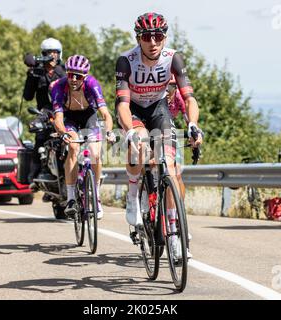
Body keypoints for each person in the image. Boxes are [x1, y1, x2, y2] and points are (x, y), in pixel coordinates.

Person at [115, 12, 203, 258]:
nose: (152, 42)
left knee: (172, 169)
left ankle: (175, 233)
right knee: (141, 144)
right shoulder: (126, 60)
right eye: (146, 37)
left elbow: (189, 98)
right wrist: (130, 131)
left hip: (158, 109)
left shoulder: (173, 58)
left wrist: (193, 124)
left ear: (164, 37)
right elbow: (122, 103)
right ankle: (133, 197)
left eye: (158, 36)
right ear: (138, 38)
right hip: (132, 109)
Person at [52, 55, 115, 220]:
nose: (73, 79)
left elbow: (106, 115)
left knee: (95, 153)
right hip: (69, 118)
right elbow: (58, 119)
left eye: (78, 76)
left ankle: (96, 195)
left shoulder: (92, 84)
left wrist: (108, 132)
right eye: (70, 74)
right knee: (73, 147)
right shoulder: (59, 86)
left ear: (85, 77)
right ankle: (72, 198)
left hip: (89, 116)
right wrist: (63, 133)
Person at [23, 38, 66, 183]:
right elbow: (27, 96)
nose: (52, 55)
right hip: (44, 114)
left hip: (64, 112)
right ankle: (35, 176)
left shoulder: (65, 71)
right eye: (49, 52)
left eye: (55, 52)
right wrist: (31, 74)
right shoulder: (37, 73)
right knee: (40, 139)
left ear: (60, 54)